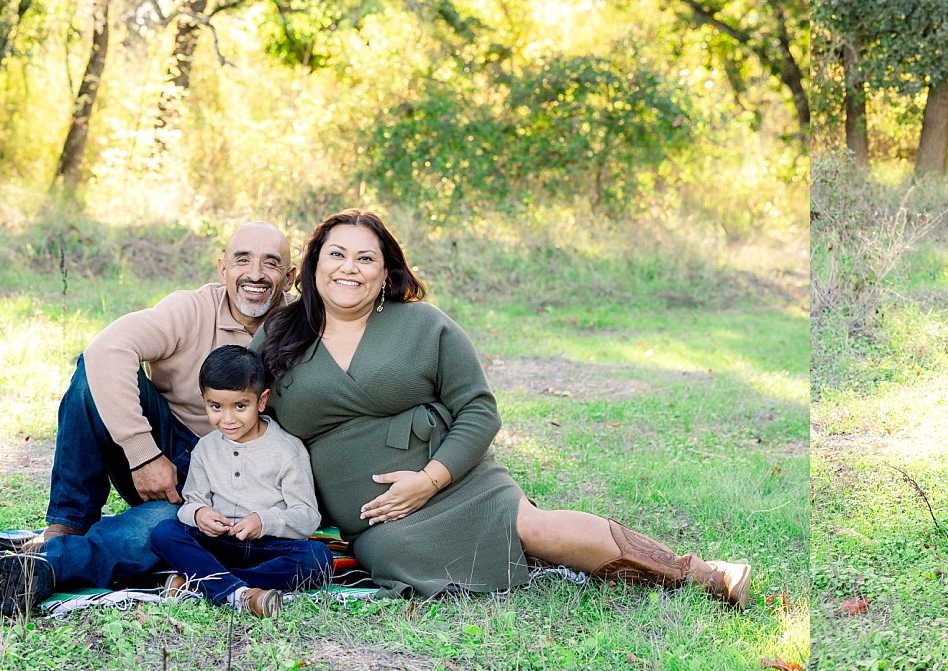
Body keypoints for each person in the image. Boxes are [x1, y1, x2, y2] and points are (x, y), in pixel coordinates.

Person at [252, 209, 751, 607]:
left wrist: (428, 481)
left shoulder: (424, 326)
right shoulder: (279, 335)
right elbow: (242, 408)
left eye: (365, 259)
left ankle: (700, 574)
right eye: (336, 255)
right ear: (314, 265)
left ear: (386, 273)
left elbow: (479, 410)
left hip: (456, 481)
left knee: (534, 527)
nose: (349, 268)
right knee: (399, 558)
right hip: (377, 519)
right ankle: (542, 559)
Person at [0, 223, 293, 617]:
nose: (255, 273)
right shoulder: (190, 310)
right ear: (222, 268)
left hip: (231, 485)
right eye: (243, 260)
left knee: (157, 531)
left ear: (288, 277)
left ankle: (43, 566)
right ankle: (67, 524)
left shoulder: (301, 329)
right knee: (92, 374)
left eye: (270, 264)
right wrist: (144, 455)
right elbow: (107, 349)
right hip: (167, 449)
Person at [148, 345, 333, 618]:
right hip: (221, 543)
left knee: (319, 558)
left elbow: (307, 517)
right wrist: (200, 515)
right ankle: (242, 593)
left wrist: (264, 521)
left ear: (261, 400)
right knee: (164, 532)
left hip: (269, 546)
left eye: (240, 406)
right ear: (204, 401)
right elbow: (190, 504)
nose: (228, 418)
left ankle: (205, 583)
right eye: (216, 407)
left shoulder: (287, 450)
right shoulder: (205, 449)